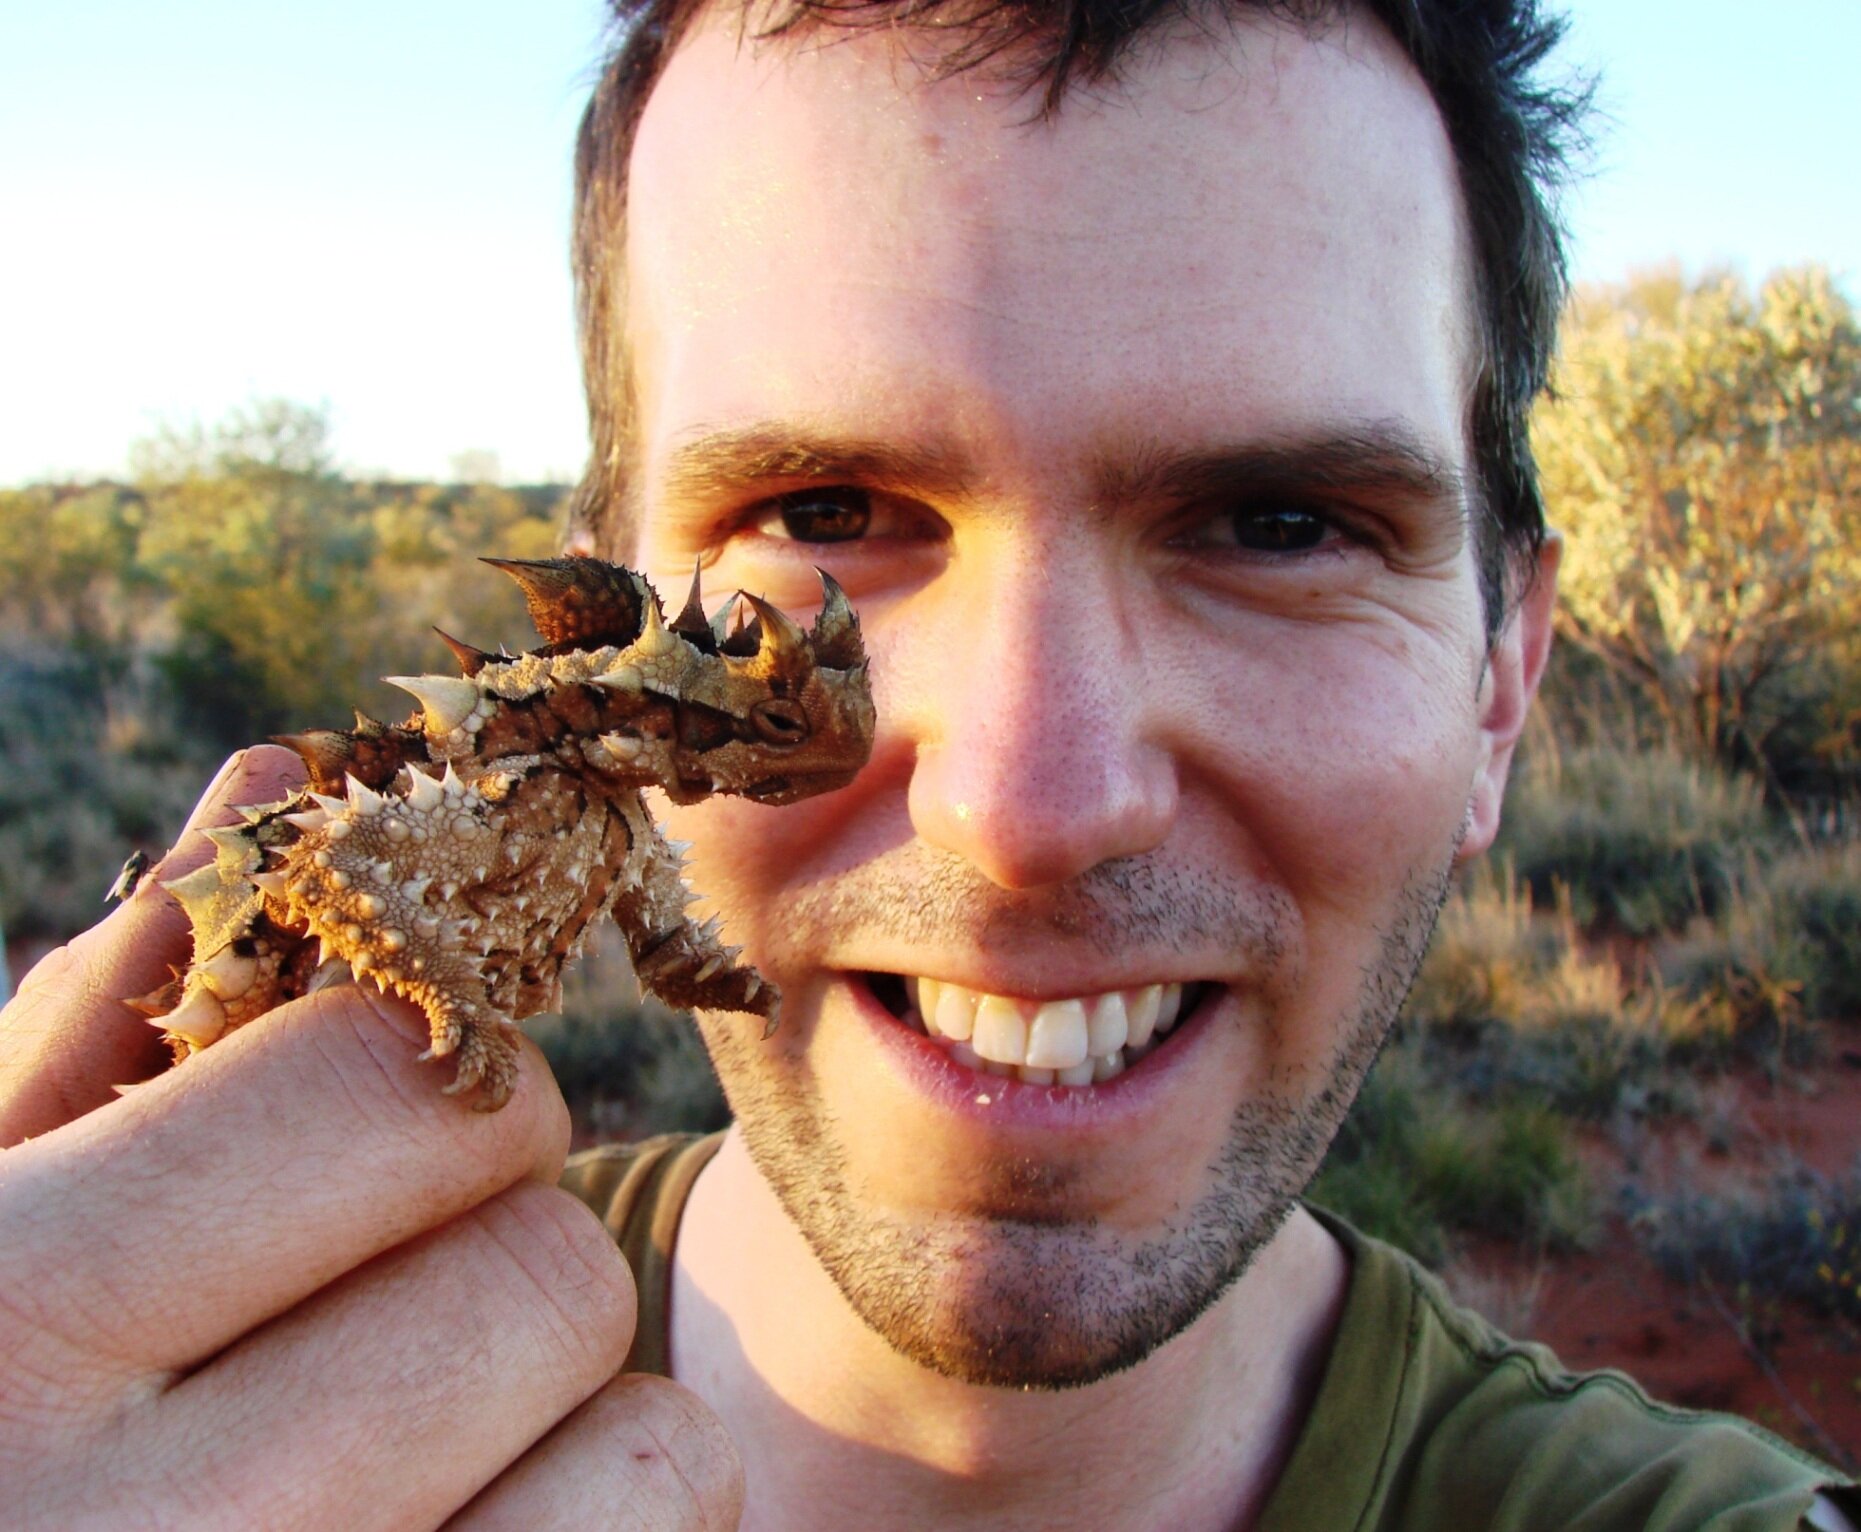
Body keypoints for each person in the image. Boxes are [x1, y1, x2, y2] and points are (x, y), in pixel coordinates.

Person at [0, 1, 1853, 1528]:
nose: (1027, 810)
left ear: (1498, 690)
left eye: (1279, 522)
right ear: (605, 632)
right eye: (820, 510)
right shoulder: (125, 1406)